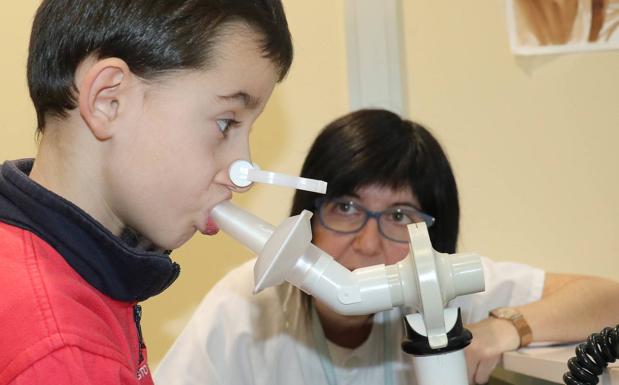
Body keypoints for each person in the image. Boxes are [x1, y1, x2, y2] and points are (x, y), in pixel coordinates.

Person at [154, 109, 619, 385]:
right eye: (347, 208)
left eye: (400, 216)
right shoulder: (245, 305)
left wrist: (503, 330)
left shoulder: (444, 291)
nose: (369, 242)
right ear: (307, 216)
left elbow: (607, 299)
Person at [0, 1, 292, 384]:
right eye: (226, 123)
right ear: (109, 99)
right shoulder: (66, 354)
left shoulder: (45, 266)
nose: (243, 174)